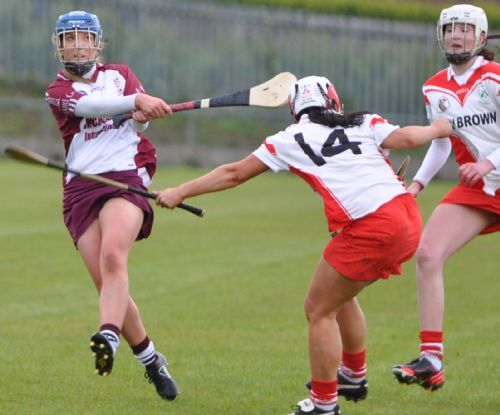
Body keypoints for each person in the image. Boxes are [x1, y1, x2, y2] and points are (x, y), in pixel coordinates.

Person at [155, 75, 452, 414]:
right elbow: (409, 138)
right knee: (339, 295)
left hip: (372, 226)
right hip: (406, 215)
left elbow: (234, 173)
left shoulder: (290, 137)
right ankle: (353, 375)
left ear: (296, 109)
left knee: (318, 309)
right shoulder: (363, 121)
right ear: (333, 101)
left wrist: (180, 191)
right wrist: (438, 128)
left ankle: (324, 405)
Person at [44, 10, 179, 401]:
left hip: (124, 175)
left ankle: (108, 335)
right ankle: (152, 361)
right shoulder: (56, 90)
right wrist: (136, 101)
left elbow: (137, 123)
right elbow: (91, 108)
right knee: (107, 284)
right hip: (80, 187)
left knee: (113, 257)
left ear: (96, 42)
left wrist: (143, 114)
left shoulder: (120, 74)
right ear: (60, 46)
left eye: (84, 38)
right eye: (69, 39)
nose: (77, 46)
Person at [392, 4, 499, 392]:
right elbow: (441, 144)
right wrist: (417, 185)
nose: (456, 35)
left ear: (480, 38)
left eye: (465, 30)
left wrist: (487, 163)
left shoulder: (494, 77)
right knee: (428, 254)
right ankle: (431, 359)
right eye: (451, 29)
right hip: (480, 190)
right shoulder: (434, 87)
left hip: (486, 173)